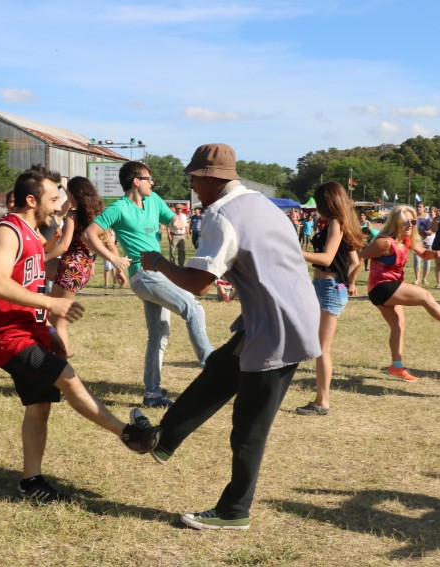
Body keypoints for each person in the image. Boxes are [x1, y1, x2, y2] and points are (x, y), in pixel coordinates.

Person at [130, 144, 320, 530]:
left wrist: (157, 262)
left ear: (211, 178)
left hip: (278, 325)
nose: (192, 186)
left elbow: (198, 284)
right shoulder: (265, 205)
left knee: (250, 426)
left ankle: (235, 511)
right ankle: (163, 440)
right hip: (283, 314)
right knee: (220, 368)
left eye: (194, 179)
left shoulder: (221, 215)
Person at [0, 166, 161, 503]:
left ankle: (30, 482)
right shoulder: (7, 231)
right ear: (31, 200)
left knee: (39, 406)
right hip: (5, 335)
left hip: (29, 331)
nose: (57, 206)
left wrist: (48, 329)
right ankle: (128, 434)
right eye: (52, 199)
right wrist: (52, 304)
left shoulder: (34, 234)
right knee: (68, 378)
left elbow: (30, 284)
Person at [84, 161, 213, 408]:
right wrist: (113, 258)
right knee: (193, 308)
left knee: (159, 333)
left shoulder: (153, 200)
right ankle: (213, 369)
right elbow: (89, 234)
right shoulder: (119, 208)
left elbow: (171, 218)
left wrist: (176, 222)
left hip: (160, 272)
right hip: (143, 275)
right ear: (136, 181)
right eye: (148, 179)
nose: (152, 183)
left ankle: (152, 394)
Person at [360, 205, 440, 383]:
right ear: (395, 223)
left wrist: (435, 253)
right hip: (381, 286)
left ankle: (396, 367)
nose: (410, 225)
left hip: (390, 286)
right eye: (405, 222)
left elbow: (423, 253)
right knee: (425, 296)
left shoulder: (406, 240)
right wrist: (349, 282)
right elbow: (360, 256)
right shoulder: (384, 242)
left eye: (413, 222)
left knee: (399, 327)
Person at [296, 181, 365, 416]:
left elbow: (326, 258)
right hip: (328, 286)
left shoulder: (336, 223)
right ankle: (321, 399)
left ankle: (322, 402)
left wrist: (294, 251)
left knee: (322, 349)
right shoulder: (343, 222)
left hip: (328, 288)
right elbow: (355, 261)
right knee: (318, 345)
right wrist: (348, 283)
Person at [47, 176, 108, 357]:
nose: (67, 198)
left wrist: (43, 257)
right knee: (38, 271)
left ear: (74, 195)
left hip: (70, 269)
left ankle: (63, 357)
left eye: (68, 194)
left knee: (57, 320)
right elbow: (102, 243)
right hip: (83, 269)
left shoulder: (72, 215)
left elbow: (64, 246)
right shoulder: (97, 215)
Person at [413, 201, 433, 286]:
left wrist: (425, 232)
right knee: (417, 260)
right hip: (417, 241)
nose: (418, 208)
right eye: (417, 206)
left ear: (424, 208)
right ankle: (417, 278)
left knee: (427, 260)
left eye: (420, 207)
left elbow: (432, 230)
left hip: (428, 241)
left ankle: (424, 279)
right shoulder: (414, 216)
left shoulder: (429, 217)